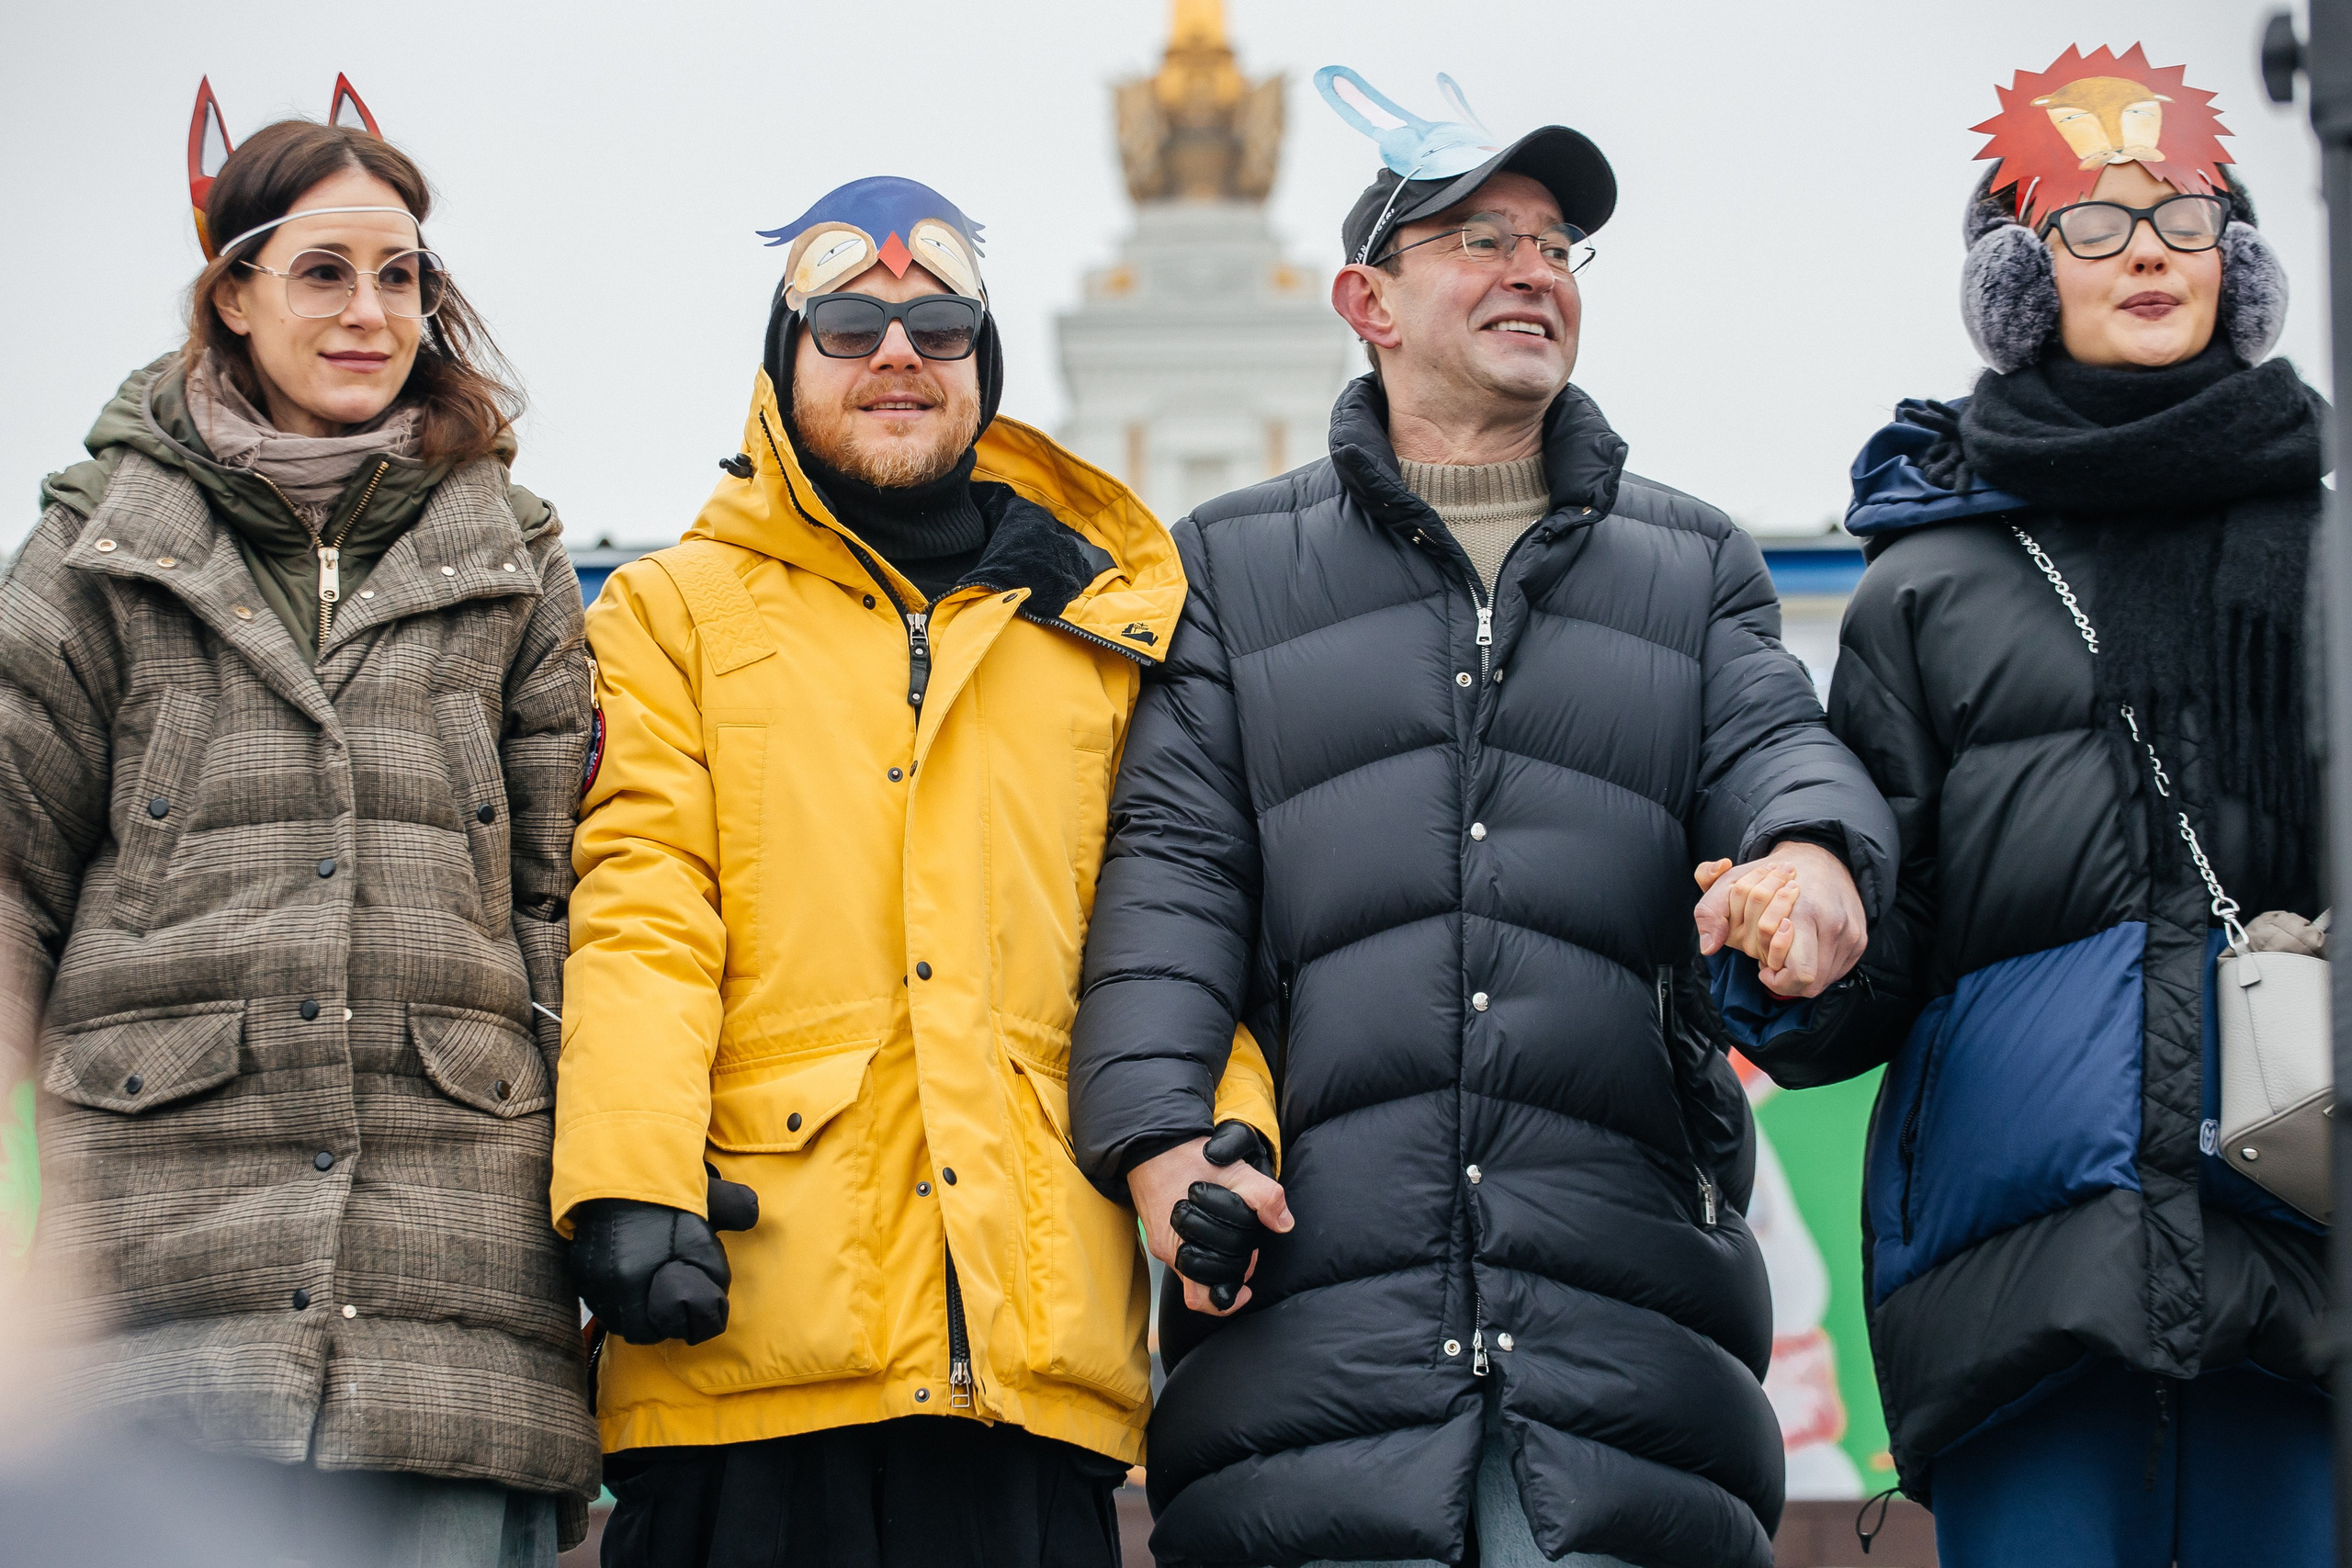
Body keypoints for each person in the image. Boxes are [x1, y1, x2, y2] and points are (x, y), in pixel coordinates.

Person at [1065, 71, 1898, 1568]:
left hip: (1622, 1340)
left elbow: (1781, 746)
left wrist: (1812, 858)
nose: (1534, 271)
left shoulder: (1689, 566)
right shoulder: (1229, 576)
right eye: (1479, 239)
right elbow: (1167, 900)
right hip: (1318, 1343)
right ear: (1367, 301)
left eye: (1558, 248)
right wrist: (1163, 1148)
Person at [549, 175, 1279, 1568]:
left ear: (984, 374)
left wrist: (1230, 1141)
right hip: (745, 1345)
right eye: (848, 327)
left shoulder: (1101, 639)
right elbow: (642, 909)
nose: (898, 354)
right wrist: (625, 1184)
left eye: (941, 330)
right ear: (783, 369)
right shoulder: (668, 615)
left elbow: (1182, 936)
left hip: (1030, 1371)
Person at [1738, 45, 2332, 1568]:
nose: (2147, 248)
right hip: (2023, 1283)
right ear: (2015, 280)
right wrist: (1792, 951)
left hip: (2309, 1265)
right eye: (2089, 220)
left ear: (2240, 265)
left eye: (2188, 216)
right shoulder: (1927, 585)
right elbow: (1875, 959)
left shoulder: (2330, 560)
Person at [0, 86, 598, 1564]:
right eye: (324, 271)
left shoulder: (518, 566)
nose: (370, 312)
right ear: (234, 295)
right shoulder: (90, 556)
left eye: (401, 276)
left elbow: (561, 912)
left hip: (456, 1302)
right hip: (152, 1315)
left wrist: (606, 1205)